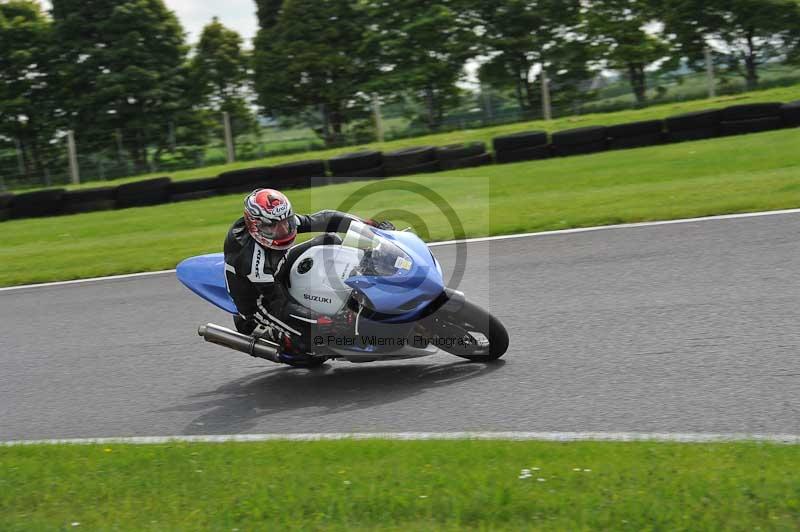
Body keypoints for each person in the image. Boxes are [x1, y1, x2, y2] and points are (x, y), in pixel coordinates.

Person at [223, 188, 393, 363]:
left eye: (285, 222)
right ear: (255, 226)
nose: (282, 230)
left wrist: (370, 228)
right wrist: (320, 319)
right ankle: (278, 335)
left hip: (278, 266)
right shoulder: (252, 262)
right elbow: (278, 305)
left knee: (329, 240)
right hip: (261, 301)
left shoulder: (276, 222)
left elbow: (323, 219)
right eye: (273, 226)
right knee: (316, 334)